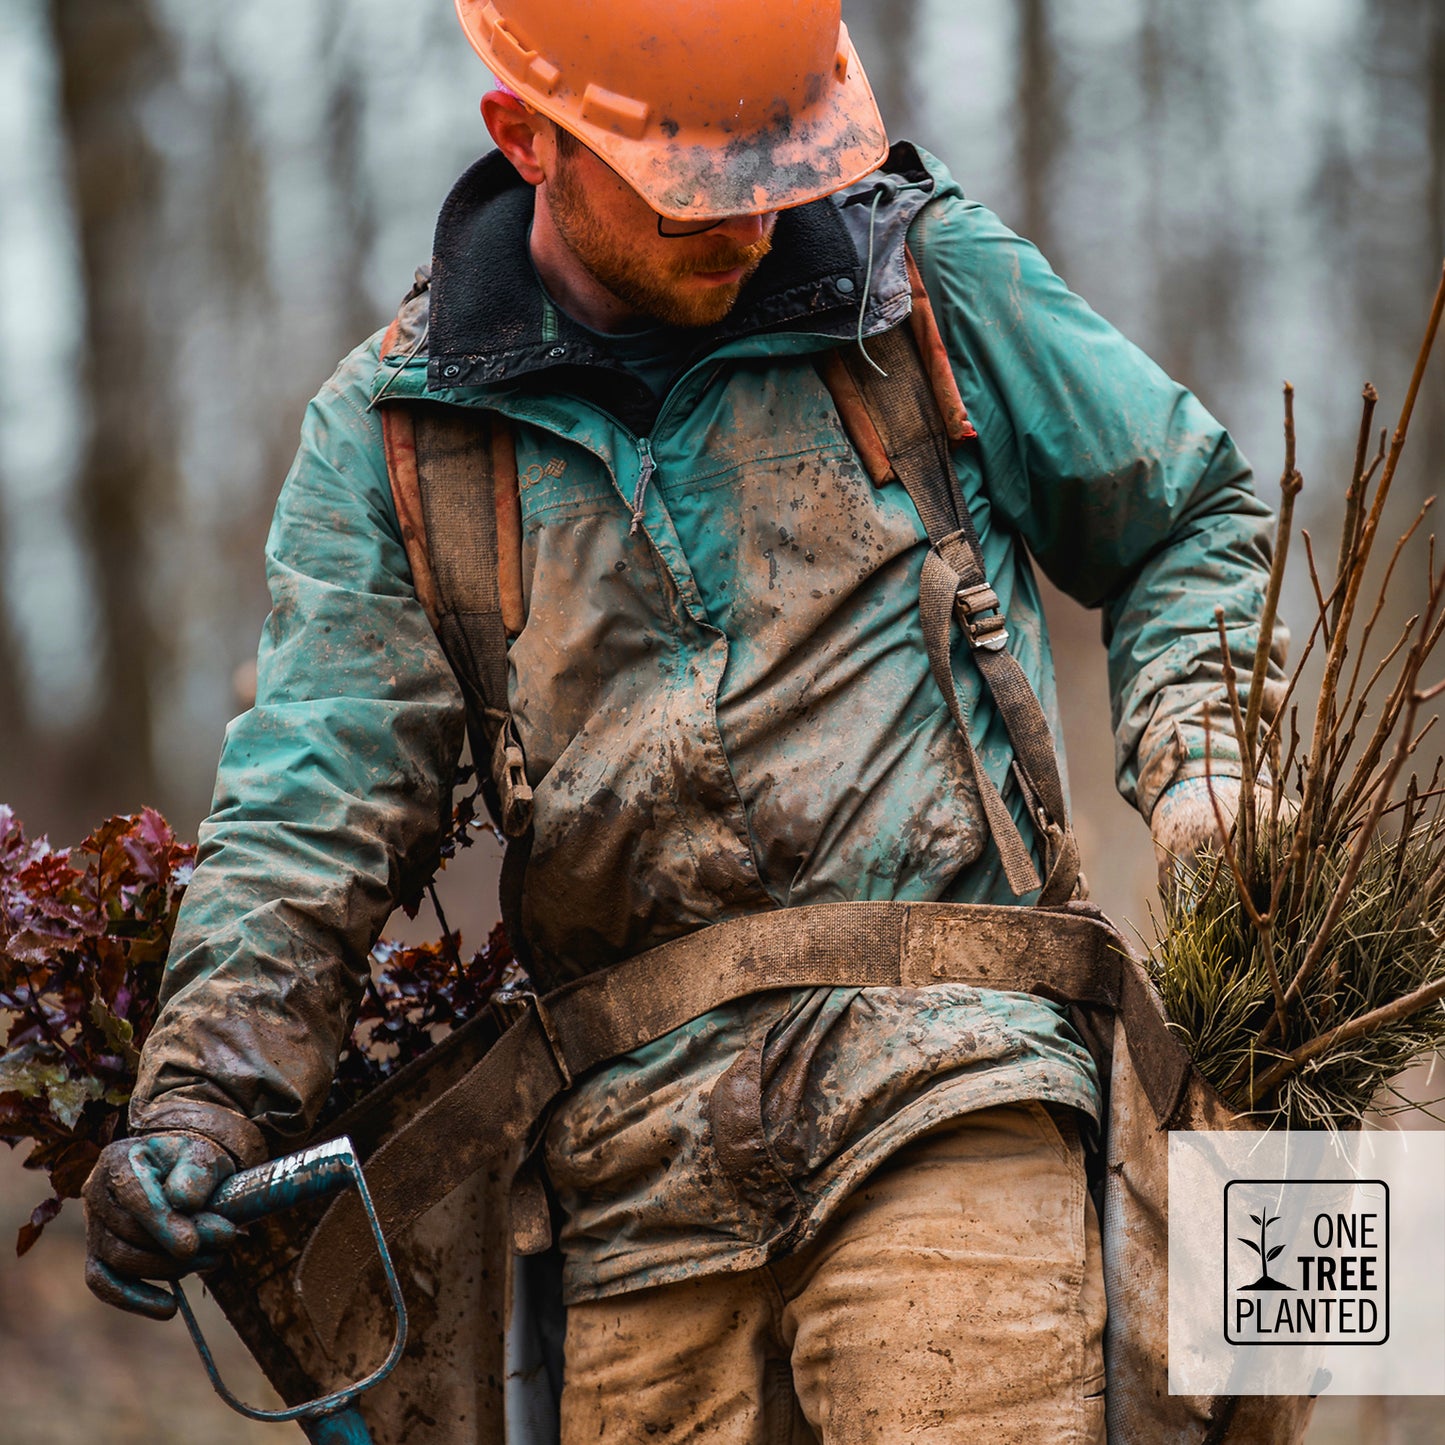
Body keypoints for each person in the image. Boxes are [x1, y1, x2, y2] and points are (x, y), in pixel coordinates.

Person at [81, 2, 1283, 1440]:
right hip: (633, 1179)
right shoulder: (399, 436)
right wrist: (199, 1105)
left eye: (779, 173)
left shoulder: (922, 290)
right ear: (526, 140)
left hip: (955, 1073)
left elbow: (1184, 514)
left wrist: (1207, 763)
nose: (752, 226)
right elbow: (306, 808)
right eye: (694, 192)